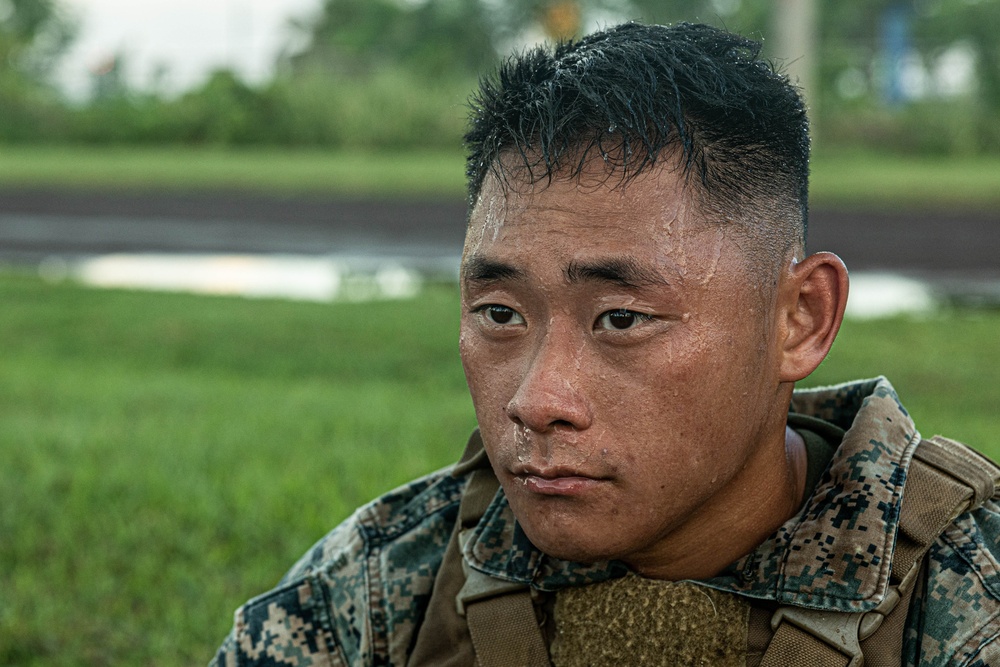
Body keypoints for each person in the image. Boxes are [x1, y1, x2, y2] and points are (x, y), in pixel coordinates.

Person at [210, 22, 1000, 666]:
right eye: (499, 313)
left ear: (799, 318)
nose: (536, 400)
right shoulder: (387, 589)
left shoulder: (969, 604)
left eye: (620, 318)